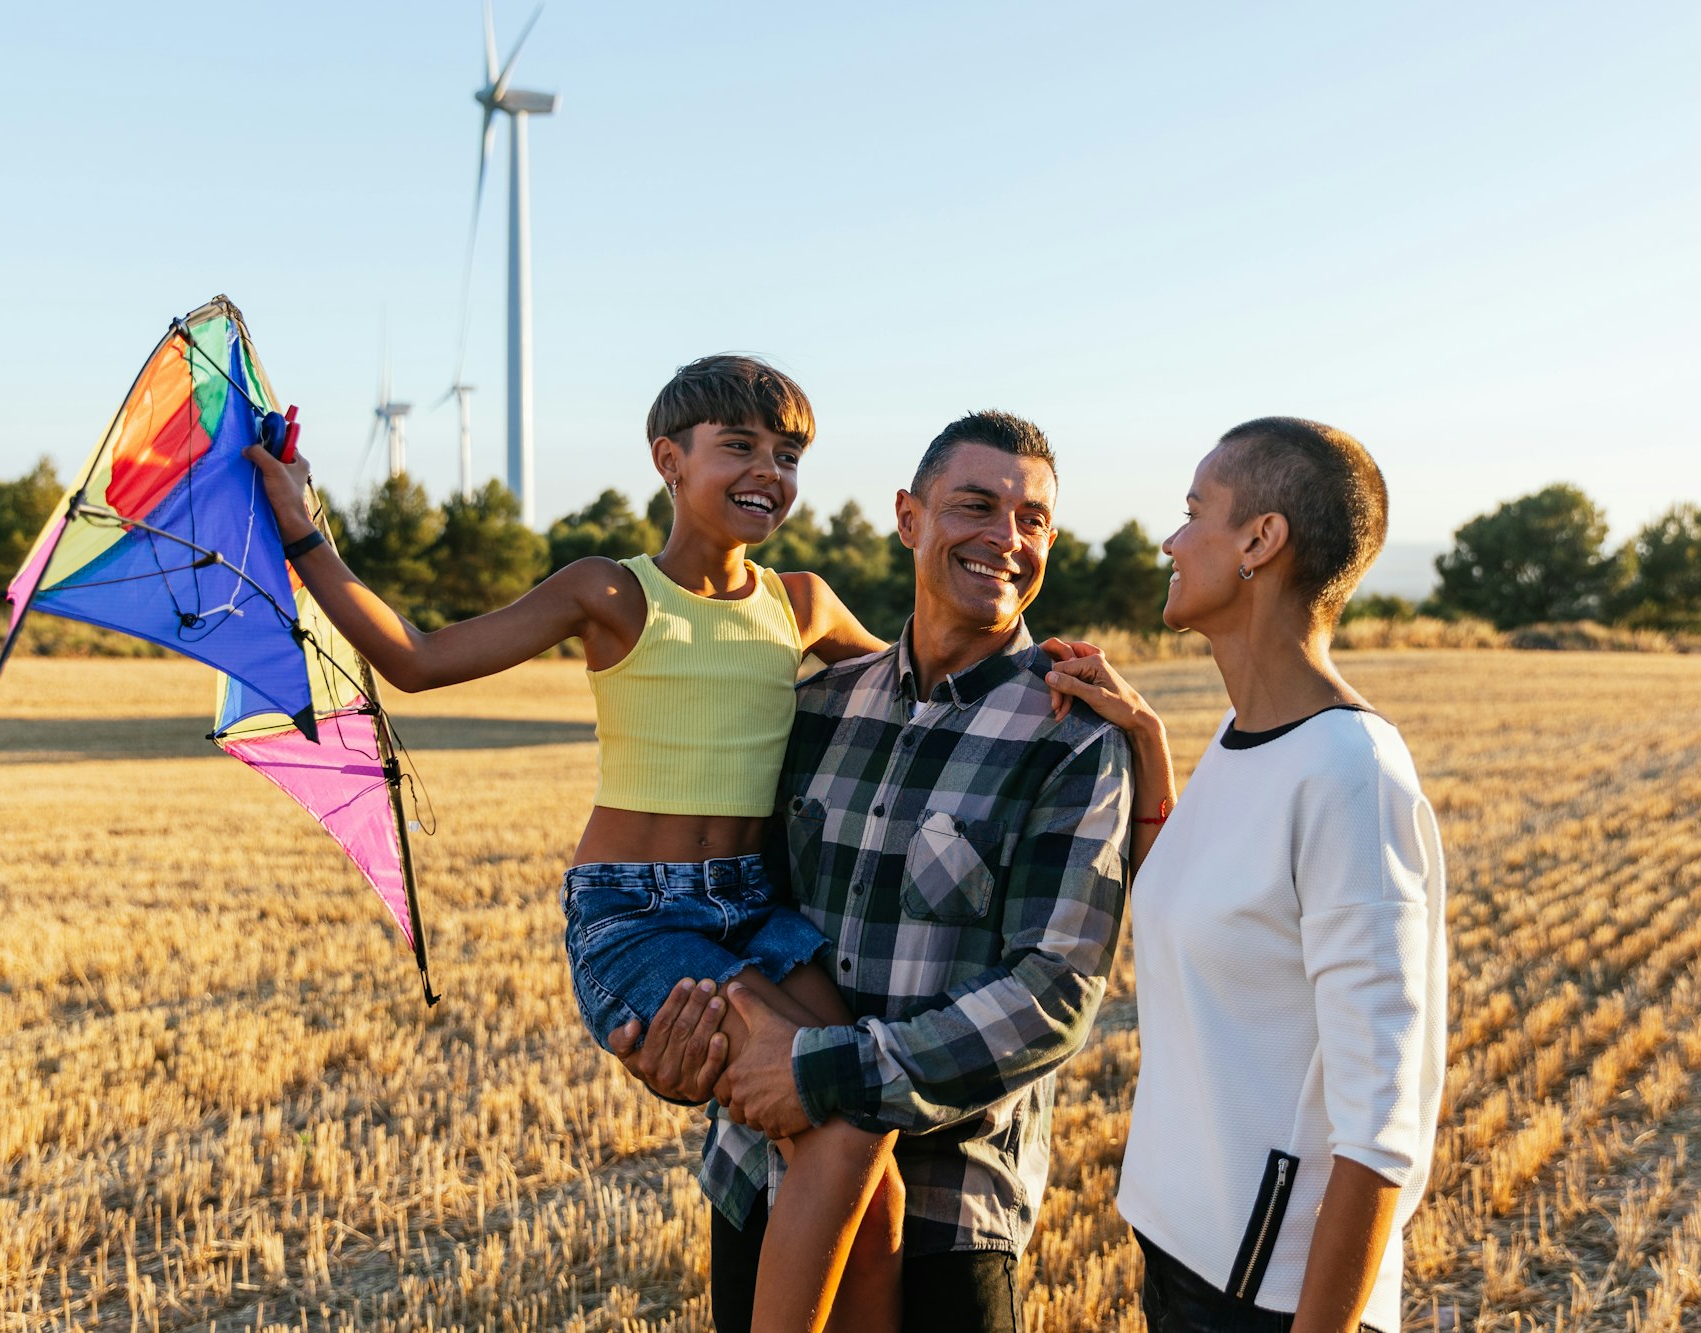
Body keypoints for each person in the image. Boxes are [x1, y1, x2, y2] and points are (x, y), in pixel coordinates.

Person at [246, 355, 908, 1333]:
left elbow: (920, 681)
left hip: (757, 911)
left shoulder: (799, 601)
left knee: (866, 1136)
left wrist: (1043, 676)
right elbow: (419, 659)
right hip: (640, 916)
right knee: (846, 1113)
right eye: (739, 447)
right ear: (668, 461)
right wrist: (304, 531)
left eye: (788, 453)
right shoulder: (609, 591)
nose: (768, 469)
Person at [613, 410, 1139, 1333]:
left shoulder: (1076, 737)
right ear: (908, 517)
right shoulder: (814, 707)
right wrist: (682, 1037)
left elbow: (1053, 994)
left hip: (949, 1218)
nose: (1005, 539)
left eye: (1033, 521)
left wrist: (828, 1074)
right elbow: (735, 906)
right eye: (974, 505)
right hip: (760, 1176)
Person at [1043, 417, 1447, 1333]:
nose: (1171, 539)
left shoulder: (1353, 776)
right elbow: (1209, 901)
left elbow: (1381, 1130)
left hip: (1268, 1298)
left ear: (1262, 541)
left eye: (1194, 513)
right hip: (1181, 1249)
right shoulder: (1241, 737)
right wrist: (1147, 739)